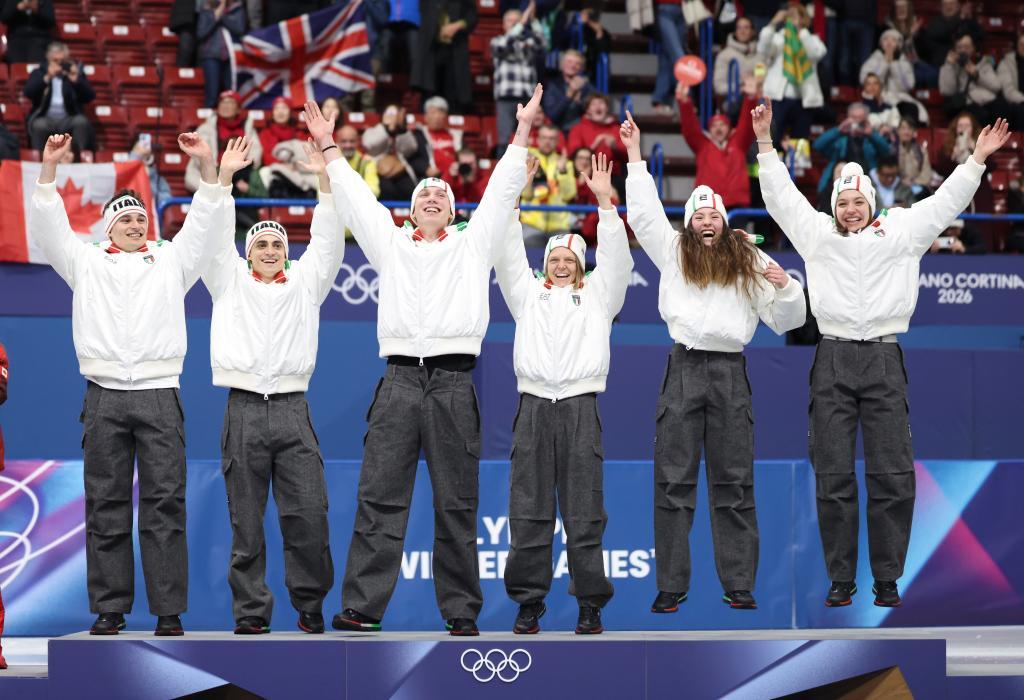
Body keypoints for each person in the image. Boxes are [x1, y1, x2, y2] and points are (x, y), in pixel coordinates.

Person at [754, 96, 1009, 608]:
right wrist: (764, 143)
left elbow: (946, 202)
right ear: (834, 206)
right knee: (832, 472)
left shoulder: (902, 230)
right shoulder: (817, 236)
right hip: (832, 358)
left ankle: (887, 577)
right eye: (842, 202)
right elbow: (782, 199)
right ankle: (841, 578)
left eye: (857, 201)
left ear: (871, 201)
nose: (850, 210)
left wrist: (977, 159)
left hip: (884, 359)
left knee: (891, 471)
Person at [308, 84, 540, 637]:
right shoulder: (390, 244)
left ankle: (461, 612)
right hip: (398, 382)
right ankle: (363, 607)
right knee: (379, 498)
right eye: (423, 195)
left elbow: (500, 191)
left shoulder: (473, 243)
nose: (432, 197)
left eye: (440, 194)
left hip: (454, 383)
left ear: (454, 211)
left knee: (456, 504)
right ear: (410, 209)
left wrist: (523, 129)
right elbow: (358, 201)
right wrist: (329, 146)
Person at [29, 130, 240, 636]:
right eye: (125, 218)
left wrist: (208, 167)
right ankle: (110, 608)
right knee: (106, 504)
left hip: (159, 393)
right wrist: (49, 169)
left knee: (165, 504)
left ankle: (169, 612)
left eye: (141, 218)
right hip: (103, 395)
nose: (135, 224)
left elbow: (204, 225)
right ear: (108, 227)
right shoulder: (85, 261)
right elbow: (49, 227)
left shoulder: (171, 259)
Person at [623, 111, 806, 614]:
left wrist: (786, 285)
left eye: (713, 216)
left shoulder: (747, 259)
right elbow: (644, 214)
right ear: (689, 224)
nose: (706, 222)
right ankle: (672, 585)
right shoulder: (673, 252)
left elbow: (787, 320)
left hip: (729, 372)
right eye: (699, 216)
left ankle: (739, 583)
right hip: (683, 368)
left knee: (735, 480)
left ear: (725, 222)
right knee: (672, 481)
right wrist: (635, 156)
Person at [203, 137, 344, 636]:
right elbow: (213, 238)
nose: (268, 251)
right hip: (242, 408)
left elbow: (328, 240)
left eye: (277, 245)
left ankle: (310, 604)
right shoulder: (228, 280)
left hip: (292, 409)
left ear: (288, 252)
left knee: (308, 514)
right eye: (260, 245)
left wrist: (324, 179)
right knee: (245, 521)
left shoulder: (306, 282)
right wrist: (223, 180)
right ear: (248, 252)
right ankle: (250, 612)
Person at [496, 153, 631, 636]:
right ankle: (528, 602)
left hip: (579, 408)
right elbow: (508, 253)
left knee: (585, 512)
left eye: (568, 260)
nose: (559, 265)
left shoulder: (599, 296)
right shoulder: (526, 295)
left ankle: (590, 604)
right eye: (553, 259)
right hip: (533, 407)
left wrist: (605, 204)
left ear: (580, 265)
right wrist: (515, 199)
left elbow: (618, 261)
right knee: (528, 511)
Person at [676, 82, 756, 208]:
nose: (718, 129)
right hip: (708, 204)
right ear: (709, 130)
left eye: (722, 125)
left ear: (729, 129)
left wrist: (751, 98)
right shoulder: (702, 146)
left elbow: (747, 123)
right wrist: (684, 102)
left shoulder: (738, 143)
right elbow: (690, 127)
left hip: (737, 204)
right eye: (714, 126)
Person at [757, 5, 826, 141]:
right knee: (773, 139)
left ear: (804, 19)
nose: (793, 18)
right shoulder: (778, 38)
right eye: (790, 15)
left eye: (796, 15)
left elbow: (816, 54)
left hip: (803, 99)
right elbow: (763, 50)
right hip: (778, 98)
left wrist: (801, 32)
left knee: (800, 142)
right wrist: (772, 24)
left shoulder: (812, 39)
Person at [491, 3, 545, 156]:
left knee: (525, 138)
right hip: (506, 98)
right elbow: (506, 43)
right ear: (503, 24)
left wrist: (533, 20)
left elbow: (542, 43)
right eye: (510, 20)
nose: (515, 23)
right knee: (504, 140)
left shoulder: (527, 43)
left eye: (518, 20)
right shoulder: (497, 41)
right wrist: (521, 23)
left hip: (527, 97)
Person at [185, 90, 263, 195]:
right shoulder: (206, 128)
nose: (225, 106)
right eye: (222, 102)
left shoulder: (247, 127)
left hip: (242, 172)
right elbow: (198, 154)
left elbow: (256, 152)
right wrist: (215, 170)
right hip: (212, 171)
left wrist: (243, 168)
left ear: (238, 108)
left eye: (230, 103)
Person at [24, 42, 96, 151]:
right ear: (48, 60)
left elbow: (90, 96)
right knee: (39, 126)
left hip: (69, 118)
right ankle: (39, 158)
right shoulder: (39, 72)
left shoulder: (73, 73)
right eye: (55, 61)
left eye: (62, 61)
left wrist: (76, 81)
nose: (59, 64)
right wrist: (47, 77)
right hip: (46, 118)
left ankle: (79, 157)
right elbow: (28, 92)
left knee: (81, 122)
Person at [411, 0, 477, 114]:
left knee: (454, 94)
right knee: (428, 93)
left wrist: (457, 26)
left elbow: (472, 17)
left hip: (455, 50)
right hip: (430, 49)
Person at [812, 103, 891, 195]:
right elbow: (817, 145)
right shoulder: (840, 139)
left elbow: (887, 151)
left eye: (860, 119)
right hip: (839, 182)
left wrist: (871, 135)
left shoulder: (871, 139)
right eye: (854, 118)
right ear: (848, 119)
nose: (857, 121)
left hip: (866, 182)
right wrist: (838, 131)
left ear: (866, 120)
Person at [362, 104, 432, 200]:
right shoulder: (372, 131)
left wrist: (402, 128)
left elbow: (410, 149)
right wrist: (387, 129)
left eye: (396, 114)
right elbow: (370, 144)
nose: (393, 117)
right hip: (378, 173)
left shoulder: (402, 132)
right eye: (390, 113)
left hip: (400, 171)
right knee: (387, 189)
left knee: (411, 190)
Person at [521, 124, 577, 246]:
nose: (547, 141)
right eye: (544, 137)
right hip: (531, 224)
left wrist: (562, 172)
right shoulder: (529, 158)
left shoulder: (565, 163)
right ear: (538, 139)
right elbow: (526, 195)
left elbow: (568, 195)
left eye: (551, 138)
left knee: (564, 254)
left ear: (557, 141)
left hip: (559, 225)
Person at [939, 32, 1003, 125]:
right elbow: (946, 91)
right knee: (979, 114)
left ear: (974, 48)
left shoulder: (983, 63)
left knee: (1003, 107)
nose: (963, 50)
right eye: (959, 47)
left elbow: (997, 86)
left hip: (985, 101)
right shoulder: (950, 66)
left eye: (966, 47)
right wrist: (949, 66)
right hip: (964, 104)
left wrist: (977, 75)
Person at [197, 0, 247, 108]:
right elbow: (201, 33)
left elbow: (240, 29)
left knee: (231, 93)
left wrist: (221, 17)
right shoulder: (206, 9)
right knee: (212, 94)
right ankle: (209, 117)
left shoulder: (237, 8)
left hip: (232, 57)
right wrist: (215, 18)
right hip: (211, 55)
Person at [713, 17, 763, 120]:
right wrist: (741, 87)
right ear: (735, 32)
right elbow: (719, 86)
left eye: (746, 28)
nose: (742, 31)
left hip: (756, 97)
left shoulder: (759, 56)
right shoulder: (725, 55)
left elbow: (762, 79)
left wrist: (755, 82)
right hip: (733, 100)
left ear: (753, 32)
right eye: (739, 28)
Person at [543, 50, 593, 133]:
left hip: (581, 132)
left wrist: (579, 102)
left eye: (577, 63)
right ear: (562, 64)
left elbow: (592, 114)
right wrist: (569, 95)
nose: (573, 66)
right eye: (569, 62)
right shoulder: (552, 85)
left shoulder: (587, 87)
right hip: (557, 132)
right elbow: (552, 116)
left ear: (581, 68)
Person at [1, 0, 55, 64]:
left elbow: (50, 21)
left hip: (38, 39)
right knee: (16, 63)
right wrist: (17, 8)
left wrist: (36, 10)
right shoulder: (13, 1)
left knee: (36, 60)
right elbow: (4, 18)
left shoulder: (44, 1)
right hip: (16, 39)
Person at [129, 134, 173, 210]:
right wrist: (136, 157)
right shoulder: (125, 172)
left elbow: (167, 199)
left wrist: (148, 177)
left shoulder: (157, 178)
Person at [336, 125, 380, 198]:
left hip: (360, 203)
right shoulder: (329, 162)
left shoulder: (367, 162)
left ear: (358, 142)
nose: (348, 145)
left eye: (352, 141)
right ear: (337, 142)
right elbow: (322, 192)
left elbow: (374, 191)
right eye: (344, 141)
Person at [422, 96, 459, 177]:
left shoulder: (456, 135)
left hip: (452, 176)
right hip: (428, 178)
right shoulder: (420, 135)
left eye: (441, 112)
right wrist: (424, 168)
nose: (437, 116)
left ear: (446, 116)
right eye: (433, 113)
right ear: (425, 117)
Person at [996, 28, 1024, 131]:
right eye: (1021, 45)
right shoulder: (1006, 62)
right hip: (1015, 103)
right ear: (1017, 45)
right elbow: (1008, 92)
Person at [895, 118, 935, 190]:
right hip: (896, 187)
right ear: (898, 131)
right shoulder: (892, 149)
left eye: (909, 129)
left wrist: (914, 182)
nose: (906, 132)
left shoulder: (921, 150)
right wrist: (901, 181)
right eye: (903, 128)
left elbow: (926, 172)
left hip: (916, 185)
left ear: (914, 132)